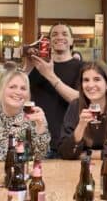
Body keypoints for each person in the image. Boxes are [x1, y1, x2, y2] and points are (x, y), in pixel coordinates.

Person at [57, 60, 107, 159]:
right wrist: (81, 126)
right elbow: (64, 151)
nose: (91, 85)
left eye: (96, 79)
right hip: (81, 166)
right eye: (86, 80)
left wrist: (90, 154)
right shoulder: (75, 106)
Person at [0, 69, 51, 162]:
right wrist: (17, 153)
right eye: (12, 87)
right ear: (1, 90)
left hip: (23, 170)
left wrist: (41, 130)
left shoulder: (33, 116)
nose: (18, 92)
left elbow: (41, 156)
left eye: (23, 88)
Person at [27, 23, 82, 158]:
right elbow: (18, 93)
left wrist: (50, 75)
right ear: (49, 41)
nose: (59, 37)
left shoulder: (82, 68)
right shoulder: (37, 65)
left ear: (71, 41)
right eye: (54, 34)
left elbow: (79, 100)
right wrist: (27, 66)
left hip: (66, 142)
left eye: (64, 34)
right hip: (38, 140)